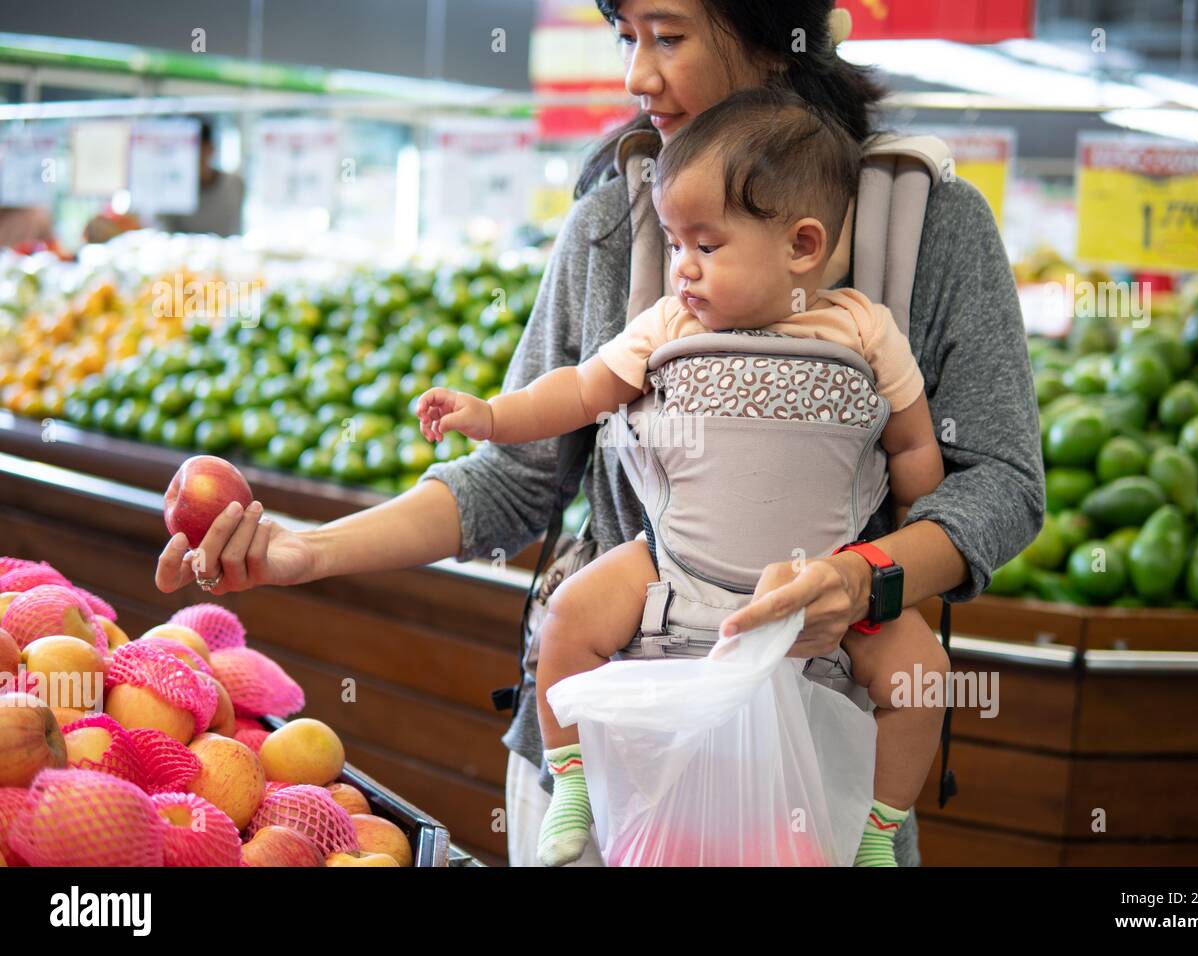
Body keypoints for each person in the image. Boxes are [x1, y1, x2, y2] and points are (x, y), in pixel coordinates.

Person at [154, 0, 1045, 868]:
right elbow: (512, 479)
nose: (636, 74)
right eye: (625, 35)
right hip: (612, 755)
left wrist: (866, 579)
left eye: (669, 35)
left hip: (828, 771)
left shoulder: (931, 228)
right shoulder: (614, 224)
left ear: (774, 33)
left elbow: (1001, 481)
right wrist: (308, 552)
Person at [416, 86, 949, 867]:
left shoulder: (863, 328)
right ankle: (572, 780)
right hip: (669, 578)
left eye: (707, 245)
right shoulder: (667, 324)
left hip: (819, 602)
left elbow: (912, 445)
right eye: (672, 244)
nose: (683, 269)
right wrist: (492, 415)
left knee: (922, 676)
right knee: (567, 617)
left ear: (802, 246)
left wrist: (905, 544)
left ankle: (870, 834)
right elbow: (577, 391)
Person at [155, 119, 244, 237]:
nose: (187, 158)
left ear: (210, 149)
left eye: (194, 149)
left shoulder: (233, 185)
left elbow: (234, 231)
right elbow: (165, 234)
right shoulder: (170, 190)